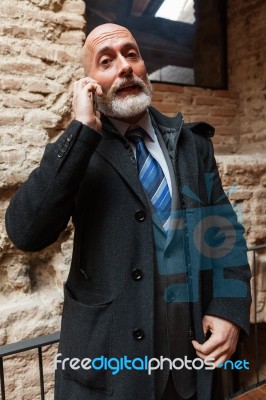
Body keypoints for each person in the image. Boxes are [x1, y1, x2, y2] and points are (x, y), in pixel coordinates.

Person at [5, 23, 251, 400]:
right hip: (112, 372)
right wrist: (81, 128)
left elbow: (225, 234)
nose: (124, 66)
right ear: (89, 84)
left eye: (131, 54)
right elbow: (26, 232)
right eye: (106, 61)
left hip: (191, 365)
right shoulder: (78, 151)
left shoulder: (192, 144)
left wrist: (229, 308)